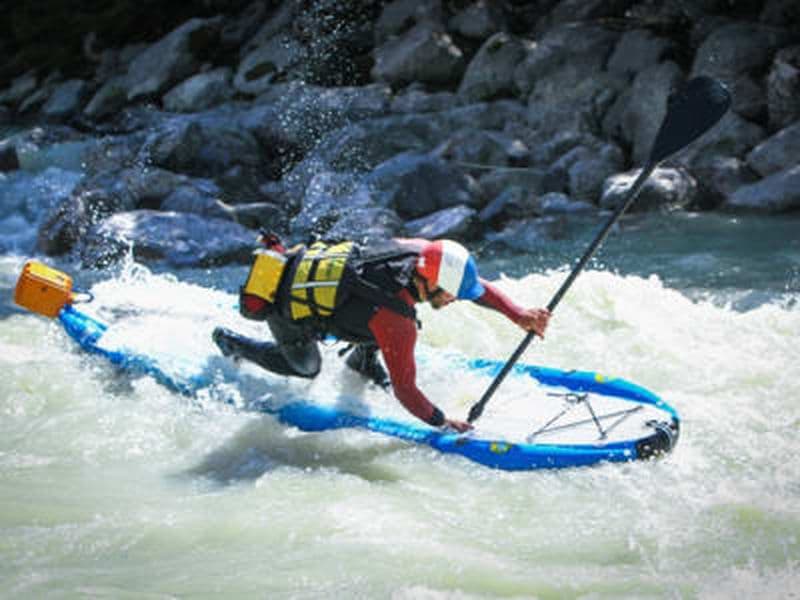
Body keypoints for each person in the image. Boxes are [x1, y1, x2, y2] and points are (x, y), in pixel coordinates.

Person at [213, 236, 550, 433]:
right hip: (286, 304)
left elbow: (471, 287)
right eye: (450, 293)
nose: (454, 298)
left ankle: (360, 361)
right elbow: (406, 391)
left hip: (314, 269)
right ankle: (235, 345)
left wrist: (517, 314)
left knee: (372, 320)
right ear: (430, 281)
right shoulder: (397, 322)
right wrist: (443, 421)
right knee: (306, 368)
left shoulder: (422, 252)